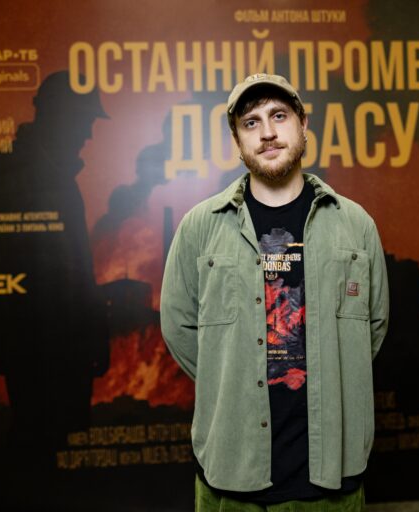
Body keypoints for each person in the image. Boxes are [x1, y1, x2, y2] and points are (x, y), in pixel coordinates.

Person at [160, 73, 388, 510]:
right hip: (230, 474)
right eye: (251, 122)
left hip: (331, 479)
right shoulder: (200, 227)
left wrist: (331, 369)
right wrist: (231, 375)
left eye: (279, 116)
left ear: (303, 125)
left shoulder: (355, 225)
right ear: (237, 141)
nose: (267, 132)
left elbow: (371, 329)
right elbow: (180, 328)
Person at [0, 71, 110, 466]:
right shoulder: (1, 176)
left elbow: (78, 271)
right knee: (39, 456)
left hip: (66, 350)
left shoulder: (58, 181)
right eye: (83, 121)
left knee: (65, 457)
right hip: (33, 349)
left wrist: (95, 334)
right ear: (59, 117)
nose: (88, 134)